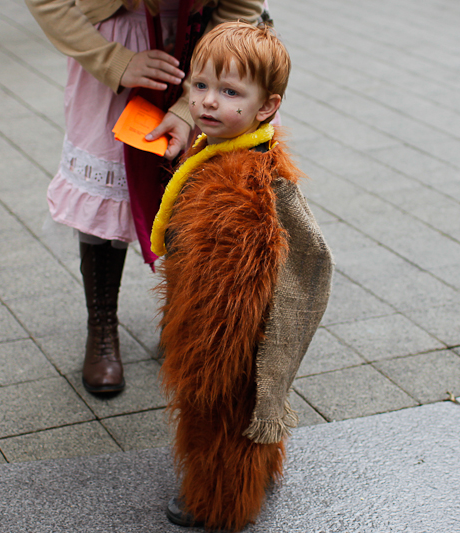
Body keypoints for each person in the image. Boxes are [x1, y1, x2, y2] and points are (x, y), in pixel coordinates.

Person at [25, 0, 265, 395]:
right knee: (107, 182)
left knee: (197, 190)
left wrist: (193, 99)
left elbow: (242, 4)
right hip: (113, 43)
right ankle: (102, 328)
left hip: (204, 46)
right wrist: (112, 61)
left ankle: (180, 317)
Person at [151, 21, 333, 530]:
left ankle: (219, 500)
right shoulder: (229, 149)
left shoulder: (243, 181)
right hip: (219, 324)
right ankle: (259, 468)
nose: (207, 102)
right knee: (253, 408)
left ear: (267, 106)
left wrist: (203, 351)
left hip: (224, 336)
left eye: (229, 91)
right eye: (200, 85)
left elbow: (235, 283)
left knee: (219, 412)